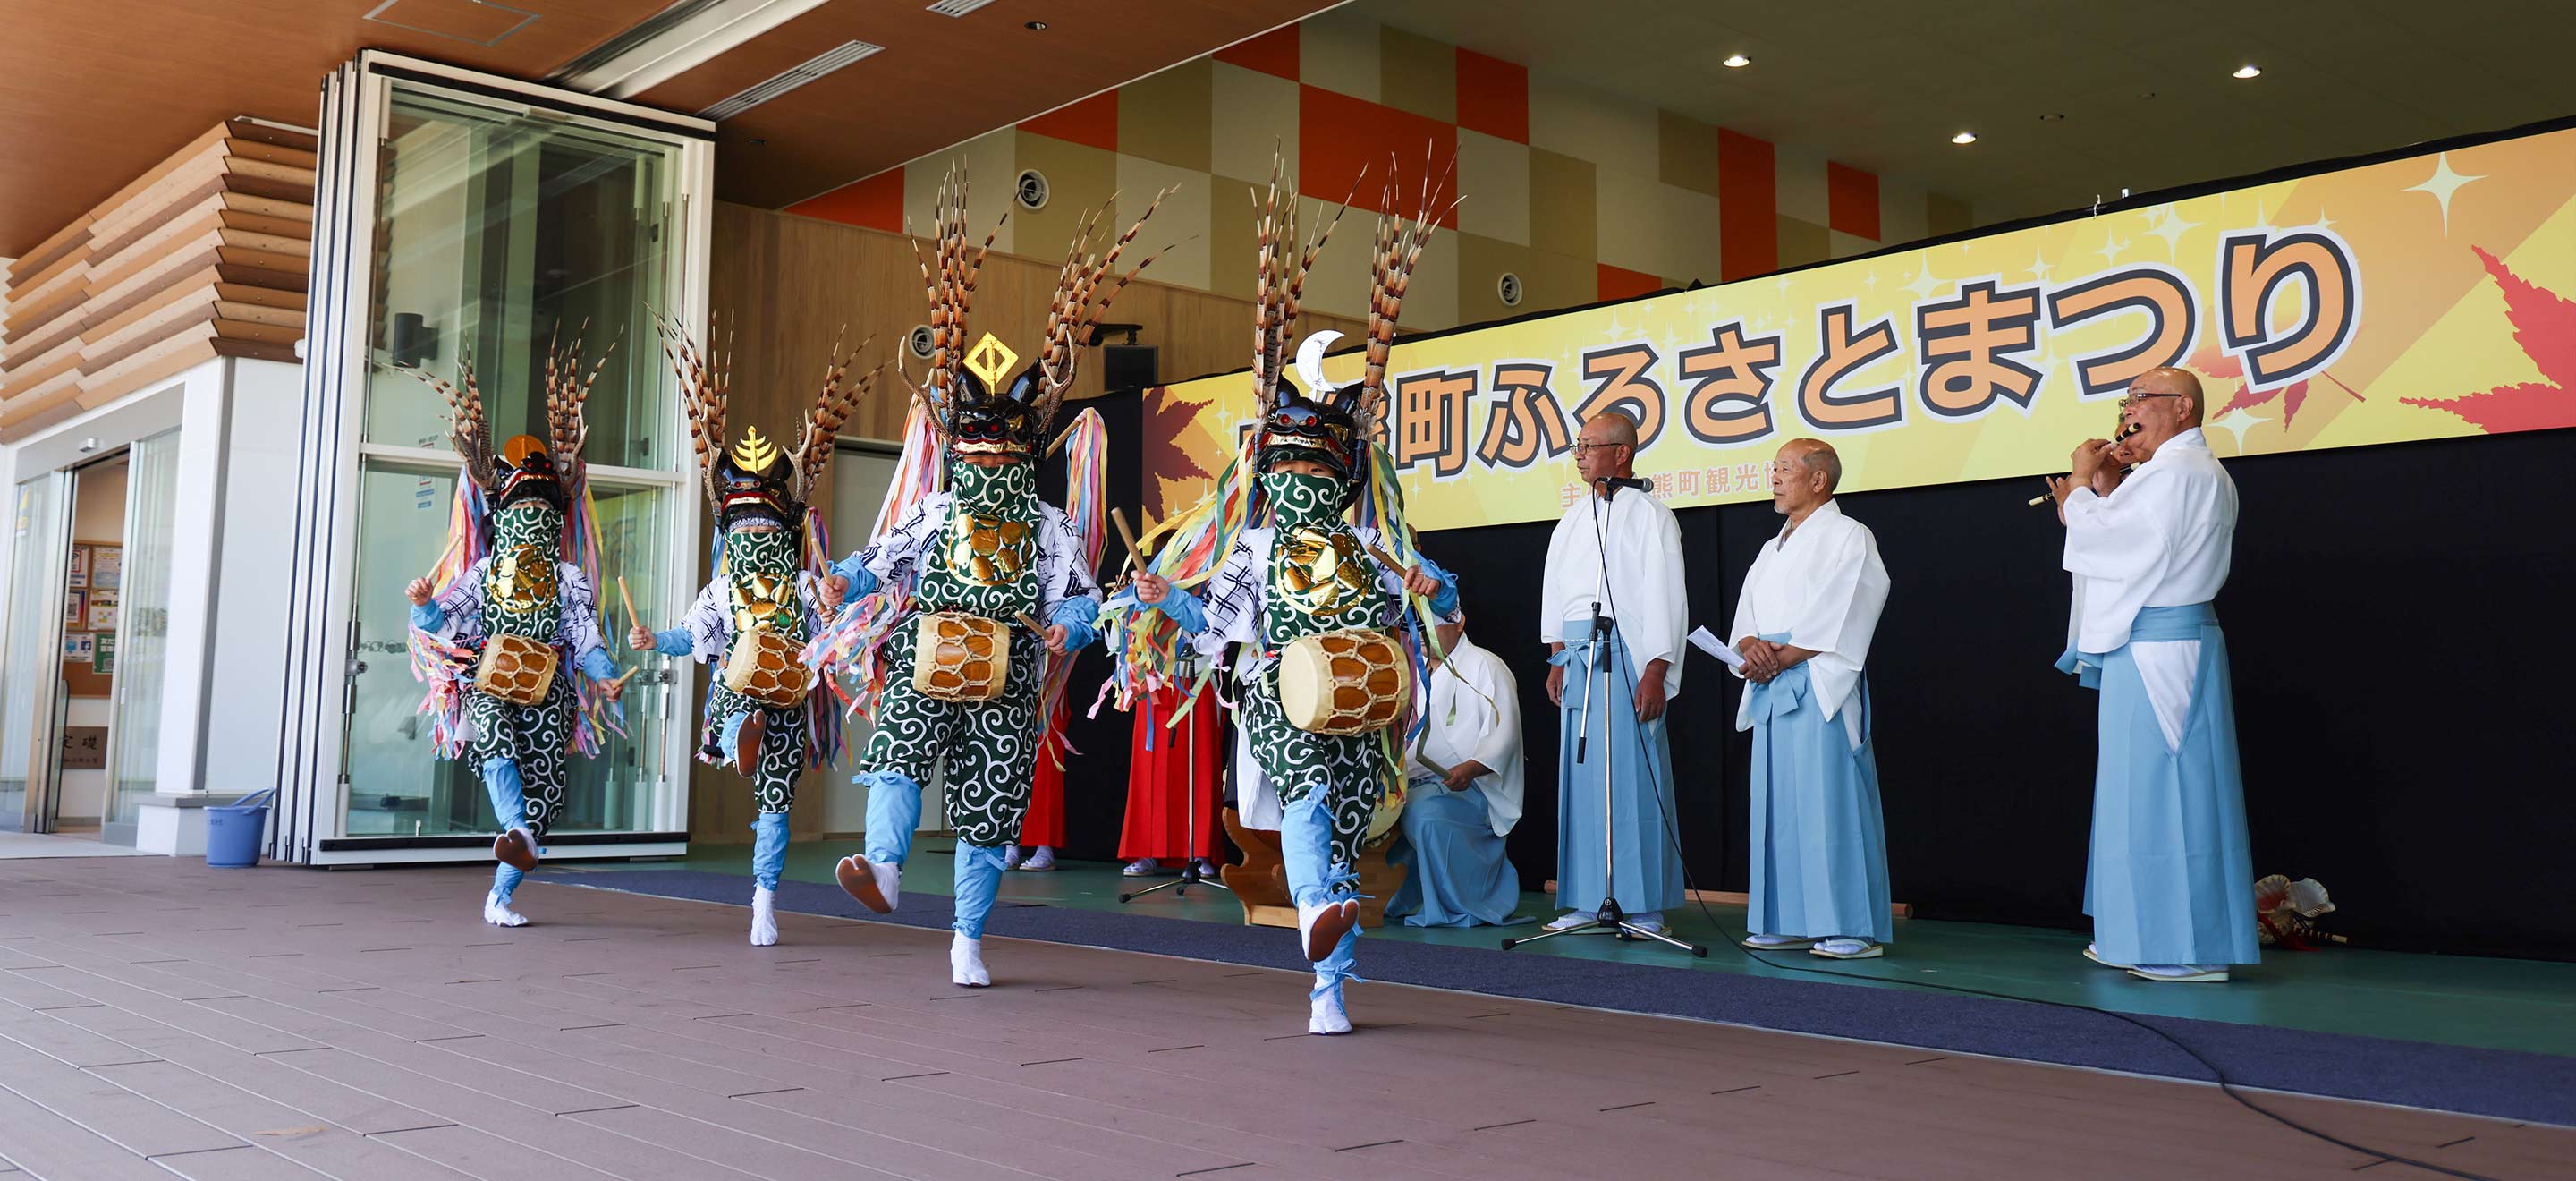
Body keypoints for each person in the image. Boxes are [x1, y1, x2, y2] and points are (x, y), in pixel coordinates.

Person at [1118, 155, 1454, 1033]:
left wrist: (1432, 587)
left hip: (1362, 707)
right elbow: (1214, 624)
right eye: (1291, 464)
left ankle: (1328, 982)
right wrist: (1163, 593)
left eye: (1318, 465)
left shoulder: (1373, 542)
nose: (1304, 478)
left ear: (1344, 473)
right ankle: (1316, 924)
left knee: (1344, 832)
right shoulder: (1258, 544)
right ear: (1272, 469)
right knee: (1306, 802)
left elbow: (1441, 622)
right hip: (1281, 695)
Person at [810, 163, 1145, 987]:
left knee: (990, 807)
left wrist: (1064, 625)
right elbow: (879, 561)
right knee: (894, 758)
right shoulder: (936, 512)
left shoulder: (1045, 523)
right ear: (957, 446)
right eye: (977, 442)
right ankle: (883, 869)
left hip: (1009, 670)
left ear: (1025, 447)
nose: (991, 452)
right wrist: (841, 583)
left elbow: (1084, 602)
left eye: (1005, 442)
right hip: (930, 656)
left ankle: (967, 938)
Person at [638, 327, 869, 947]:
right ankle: (742, 724)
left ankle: (763, 899)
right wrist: (654, 641)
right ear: (728, 534)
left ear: (786, 533)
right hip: (743, 684)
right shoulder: (719, 591)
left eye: (766, 530)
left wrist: (840, 625)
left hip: (792, 697)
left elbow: (831, 637)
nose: (754, 539)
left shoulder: (800, 583)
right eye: (743, 531)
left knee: (776, 802)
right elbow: (693, 635)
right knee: (741, 680)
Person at [401, 340, 626, 928]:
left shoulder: (568, 578)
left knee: (547, 792)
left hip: (549, 687)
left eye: (542, 517)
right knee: (498, 747)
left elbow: (584, 635)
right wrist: (426, 607)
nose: (531, 526)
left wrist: (604, 679)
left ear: (555, 522)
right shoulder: (480, 574)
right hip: (491, 678)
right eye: (520, 515)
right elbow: (445, 619)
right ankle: (516, 828)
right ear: (499, 520)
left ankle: (502, 889)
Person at [2046, 366, 2258, 983]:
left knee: (2170, 790)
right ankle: (2139, 933)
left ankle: (2183, 947)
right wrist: (2105, 491)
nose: (2128, 413)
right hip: (2147, 645)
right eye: (2126, 401)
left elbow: (2118, 547)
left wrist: (2082, 489)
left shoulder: (2183, 471)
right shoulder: (2165, 475)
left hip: (2164, 645)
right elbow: (2129, 545)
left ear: (2183, 408)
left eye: (2141, 399)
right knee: (2138, 793)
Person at [1727, 439, 1893, 959]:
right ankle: (1784, 917)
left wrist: (1781, 655)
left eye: (1783, 470)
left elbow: (1848, 610)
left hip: (1818, 678)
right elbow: (1746, 619)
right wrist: (1750, 648)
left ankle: (1847, 924)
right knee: (1778, 806)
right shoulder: (1769, 547)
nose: (1773, 479)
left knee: (1829, 804)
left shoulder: (1849, 536)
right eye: (1772, 470)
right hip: (1772, 682)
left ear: (1818, 480)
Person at [1538, 412, 1687, 934]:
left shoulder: (1652, 515)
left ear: (1622, 453)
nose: (1578, 454)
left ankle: (1642, 904)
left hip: (1627, 653)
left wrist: (1656, 668)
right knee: (1581, 778)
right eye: (1577, 446)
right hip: (1578, 656)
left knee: (1631, 778)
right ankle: (1585, 898)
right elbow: (1555, 592)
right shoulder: (1572, 519)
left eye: (1589, 445)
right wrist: (1557, 655)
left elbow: (1666, 595)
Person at [1385, 608, 1524, 928]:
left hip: (1469, 789)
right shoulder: (1412, 670)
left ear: (1459, 622)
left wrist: (1471, 769)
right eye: (1418, 627)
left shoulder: (1485, 666)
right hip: (1415, 781)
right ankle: (1390, 898)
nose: (1423, 634)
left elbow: (1504, 736)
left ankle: (1460, 902)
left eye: (1431, 626)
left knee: (1424, 816)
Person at [1116, 676, 1224, 879]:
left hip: (1199, 671)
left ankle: (1199, 851)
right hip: (1155, 674)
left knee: (1198, 759)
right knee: (1149, 765)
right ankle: (1147, 851)